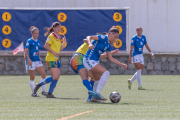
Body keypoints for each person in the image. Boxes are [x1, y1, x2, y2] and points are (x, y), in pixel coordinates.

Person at [83, 26, 127, 100]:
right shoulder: (103, 37)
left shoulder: (108, 45)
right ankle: (97, 93)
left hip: (94, 61)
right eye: (115, 37)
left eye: (117, 37)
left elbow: (110, 58)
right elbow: (89, 37)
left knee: (97, 80)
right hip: (88, 60)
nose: (115, 39)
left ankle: (93, 98)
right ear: (111, 34)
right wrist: (90, 44)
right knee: (106, 73)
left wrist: (121, 64)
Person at [33, 22, 66, 98]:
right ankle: (39, 85)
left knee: (57, 77)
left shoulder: (58, 37)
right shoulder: (51, 36)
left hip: (56, 59)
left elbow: (61, 48)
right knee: (54, 77)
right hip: (51, 58)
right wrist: (54, 52)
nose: (58, 29)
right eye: (57, 27)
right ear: (53, 28)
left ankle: (49, 93)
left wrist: (64, 40)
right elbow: (46, 46)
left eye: (59, 27)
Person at [25, 26, 47, 97]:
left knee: (43, 74)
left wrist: (39, 57)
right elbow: (26, 51)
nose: (36, 34)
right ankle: (33, 93)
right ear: (32, 33)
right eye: (35, 33)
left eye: (37, 33)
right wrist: (29, 60)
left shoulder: (38, 41)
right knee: (32, 77)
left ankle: (43, 91)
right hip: (31, 61)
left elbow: (38, 50)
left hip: (37, 60)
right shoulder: (29, 41)